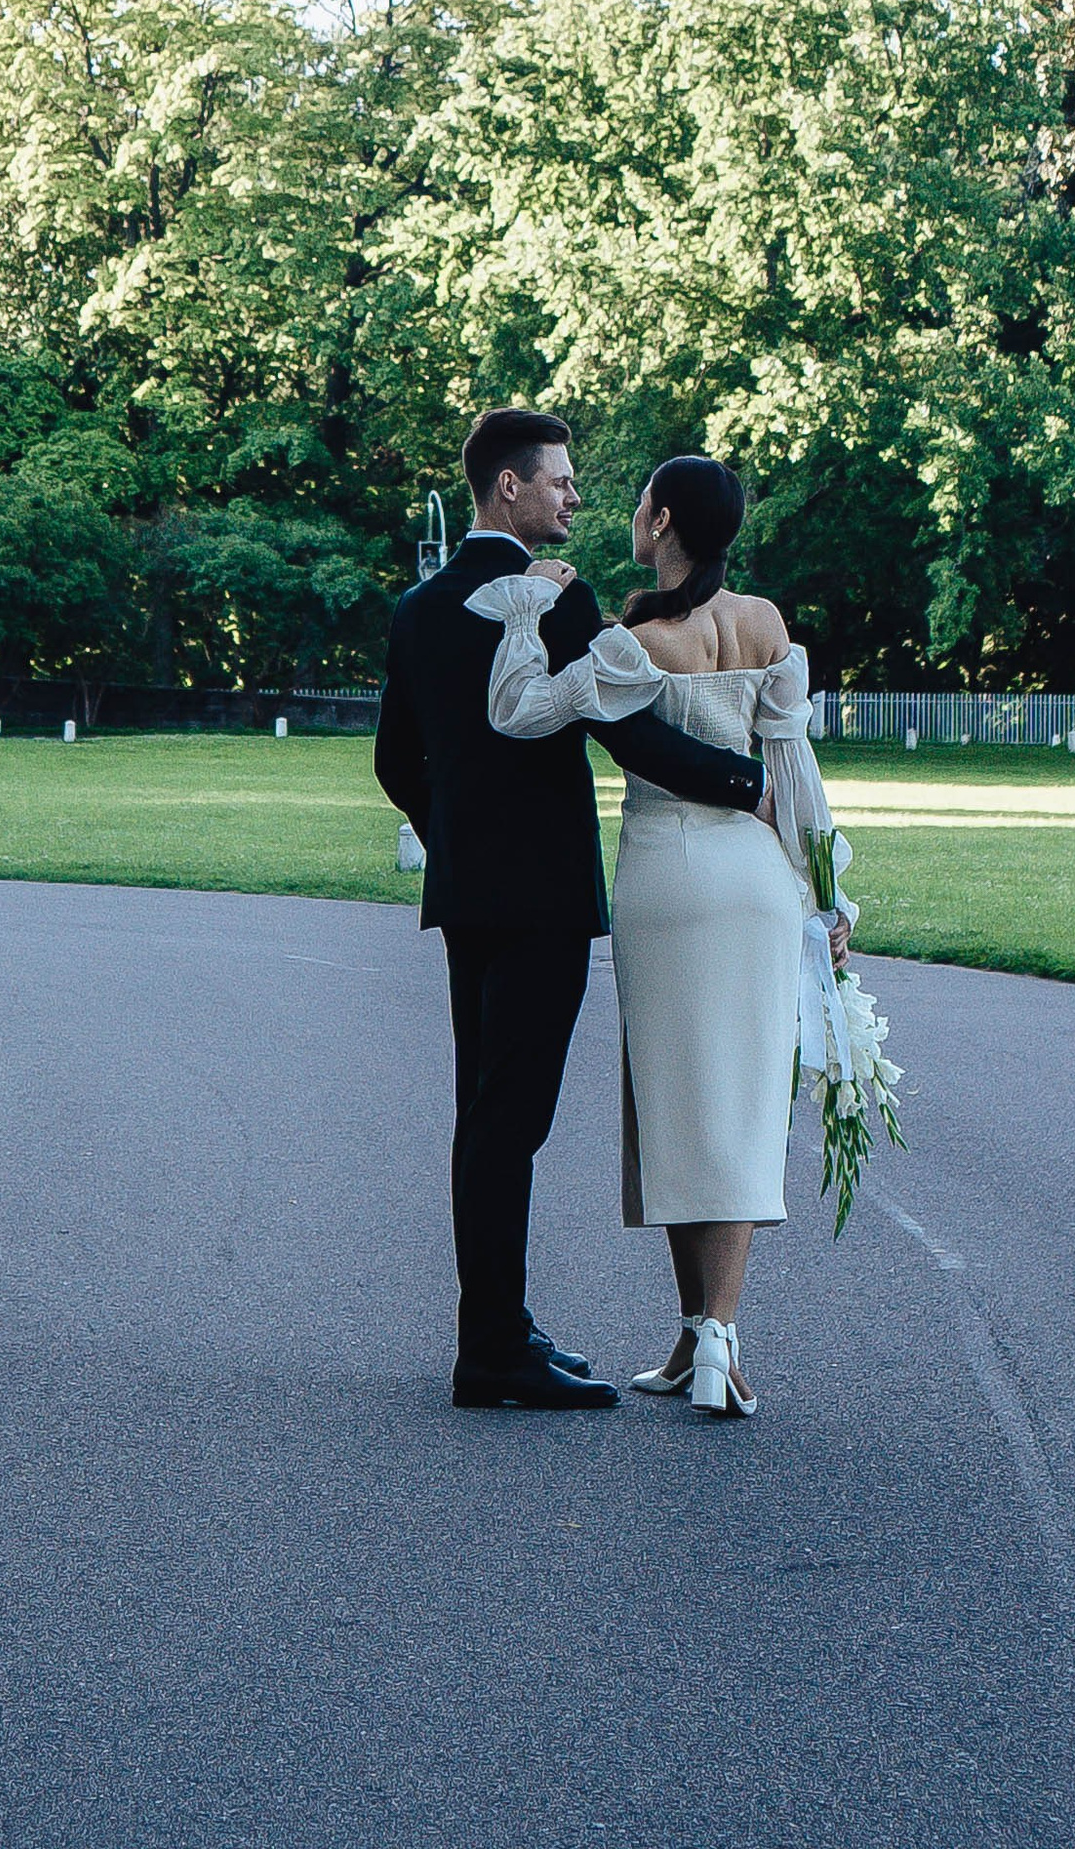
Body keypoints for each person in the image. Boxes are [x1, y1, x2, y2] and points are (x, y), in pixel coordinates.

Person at [374, 407, 771, 1412]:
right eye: (558, 481)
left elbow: (394, 762)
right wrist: (743, 782)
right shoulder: (556, 599)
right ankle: (493, 1351)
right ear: (508, 487)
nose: (574, 496)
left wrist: (459, 840)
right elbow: (629, 734)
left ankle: (497, 1329)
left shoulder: (418, 610)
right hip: (545, 900)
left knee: (487, 1115)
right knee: (513, 1122)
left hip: (467, 900)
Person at [472, 452, 845, 1421]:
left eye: (638, 506)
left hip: (669, 880)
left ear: (666, 520)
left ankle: (709, 1338)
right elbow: (792, 774)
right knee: (741, 1104)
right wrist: (828, 894)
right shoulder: (763, 623)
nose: (628, 516)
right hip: (757, 878)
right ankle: (701, 1338)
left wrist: (520, 618)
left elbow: (517, 713)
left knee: (682, 1103)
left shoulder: (632, 638)